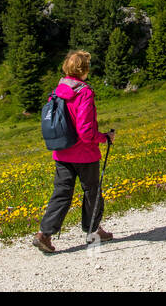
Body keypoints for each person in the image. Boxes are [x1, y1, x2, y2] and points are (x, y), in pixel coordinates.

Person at [32, 50, 115, 254]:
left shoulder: (58, 90)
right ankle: (93, 231)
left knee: (61, 194)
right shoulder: (84, 92)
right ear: (83, 69)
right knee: (91, 192)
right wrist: (104, 137)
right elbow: (86, 132)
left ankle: (44, 234)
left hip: (61, 152)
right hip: (85, 154)